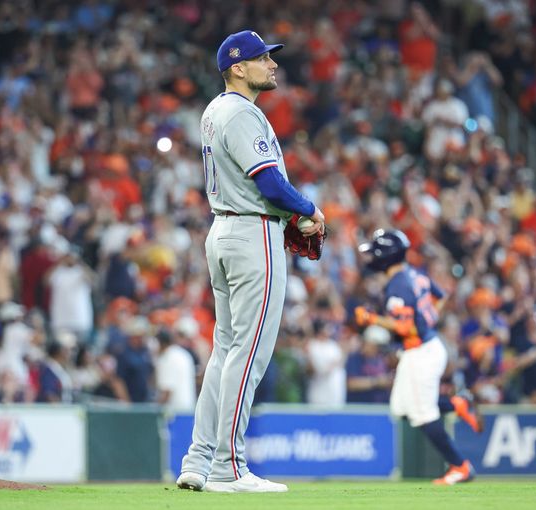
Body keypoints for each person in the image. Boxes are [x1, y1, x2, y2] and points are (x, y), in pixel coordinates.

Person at [176, 30, 325, 494]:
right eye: (263, 58)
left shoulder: (215, 111)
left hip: (225, 229)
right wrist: (308, 211)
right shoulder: (241, 112)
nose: (272, 65)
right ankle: (230, 468)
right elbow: (270, 184)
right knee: (248, 353)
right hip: (250, 232)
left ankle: (199, 460)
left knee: (225, 352)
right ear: (238, 67)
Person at [354, 229, 482, 486]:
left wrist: (372, 319)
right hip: (428, 347)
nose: (372, 258)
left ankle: (460, 466)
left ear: (385, 256)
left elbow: (405, 327)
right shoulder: (414, 275)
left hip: (420, 352)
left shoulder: (397, 284)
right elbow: (441, 297)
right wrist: (429, 318)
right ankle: (455, 404)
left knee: (423, 414)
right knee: (400, 407)